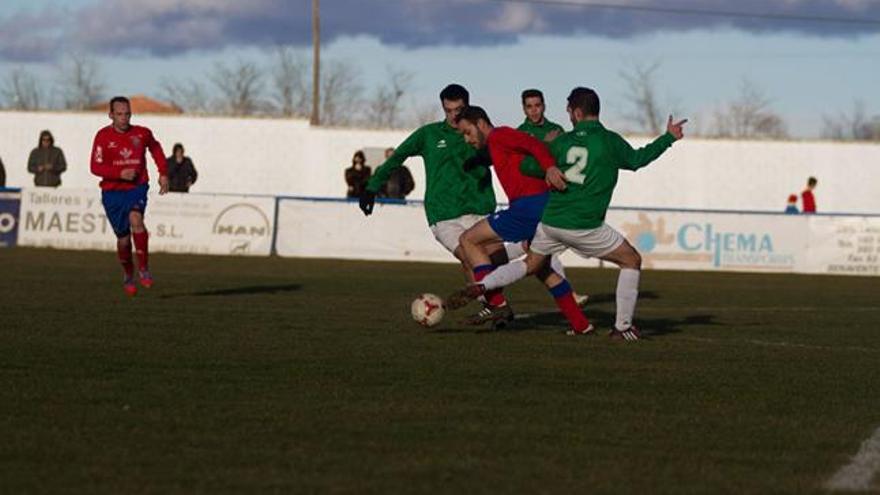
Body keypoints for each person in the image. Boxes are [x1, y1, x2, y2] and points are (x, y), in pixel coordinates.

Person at [448, 87, 687, 340]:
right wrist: (668, 138)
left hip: (550, 220)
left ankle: (487, 289)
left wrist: (548, 163)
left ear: (577, 112)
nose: (569, 117)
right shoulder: (609, 141)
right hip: (583, 224)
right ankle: (622, 327)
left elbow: (529, 164)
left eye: (570, 112)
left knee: (528, 263)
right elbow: (639, 159)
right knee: (631, 260)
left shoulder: (561, 141)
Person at [359, 84, 517, 325]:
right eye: (448, 110)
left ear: (468, 106)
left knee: (495, 261)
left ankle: (493, 302)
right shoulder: (429, 134)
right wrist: (372, 187)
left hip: (480, 209)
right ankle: (496, 307)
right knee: (469, 256)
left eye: (459, 109)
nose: (454, 115)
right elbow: (398, 156)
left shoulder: (483, 133)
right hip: (445, 214)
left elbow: (508, 159)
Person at [452, 105, 590, 330]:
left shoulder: (500, 135)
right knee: (542, 269)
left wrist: (550, 168)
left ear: (481, 123)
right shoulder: (496, 143)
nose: (467, 139)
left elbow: (532, 144)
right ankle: (581, 324)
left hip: (527, 208)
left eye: (468, 132)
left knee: (468, 240)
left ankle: (497, 304)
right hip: (538, 207)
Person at [90, 96, 169, 296]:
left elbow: (156, 148)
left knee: (136, 219)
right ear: (110, 115)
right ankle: (128, 273)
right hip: (112, 192)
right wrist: (119, 174)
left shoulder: (142, 133)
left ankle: (144, 268)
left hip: (136, 187)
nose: (124, 118)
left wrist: (163, 173)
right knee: (123, 240)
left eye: (127, 114)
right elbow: (95, 166)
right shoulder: (102, 137)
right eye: (119, 114)